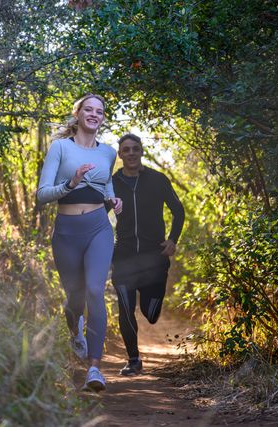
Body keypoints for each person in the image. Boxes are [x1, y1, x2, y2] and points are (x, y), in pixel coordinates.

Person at [36, 94, 122, 392]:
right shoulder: (60, 148)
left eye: (100, 111)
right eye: (89, 109)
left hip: (98, 227)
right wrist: (71, 183)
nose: (94, 115)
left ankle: (94, 369)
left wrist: (113, 200)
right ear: (78, 114)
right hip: (67, 231)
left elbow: (105, 187)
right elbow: (42, 194)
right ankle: (76, 330)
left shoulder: (109, 153)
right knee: (75, 298)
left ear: (102, 118)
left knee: (95, 290)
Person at [111, 133, 184, 376]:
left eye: (135, 148)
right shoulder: (112, 184)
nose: (131, 153)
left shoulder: (157, 180)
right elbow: (98, 216)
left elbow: (178, 211)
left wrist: (172, 239)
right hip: (123, 256)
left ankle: (152, 299)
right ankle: (133, 360)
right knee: (125, 307)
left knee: (150, 315)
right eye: (126, 150)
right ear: (120, 155)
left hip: (154, 257)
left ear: (141, 151)